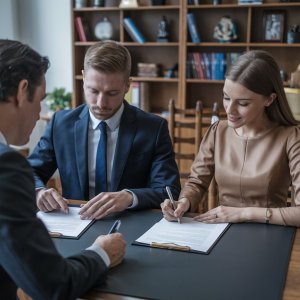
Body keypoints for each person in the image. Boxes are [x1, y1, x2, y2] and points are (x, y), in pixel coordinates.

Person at [0, 39, 126, 299]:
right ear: (23, 91)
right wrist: (102, 252)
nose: (39, 113)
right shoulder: (6, 168)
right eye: (41, 99)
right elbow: (53, 286)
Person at [28, 40, 180, 220]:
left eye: (112, 93)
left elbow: (168, 190)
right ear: (83, 77)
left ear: (127, 85)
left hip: (129, 225)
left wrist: (129, 197)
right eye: (93, 90)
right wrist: (38, 191)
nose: (101, 103)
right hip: (74, 225)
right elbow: (30, 171)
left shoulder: (154, 128)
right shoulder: (60, 123)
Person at [161, 50, 300, 227]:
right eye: (226, 98)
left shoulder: (291, 137)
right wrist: (183, 202)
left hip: (270, 232)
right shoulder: (218, 131)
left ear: (269, 99)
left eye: (243, 103)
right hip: (220, 231)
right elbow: (196, 184)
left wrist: (244, 213)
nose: (229, 110)